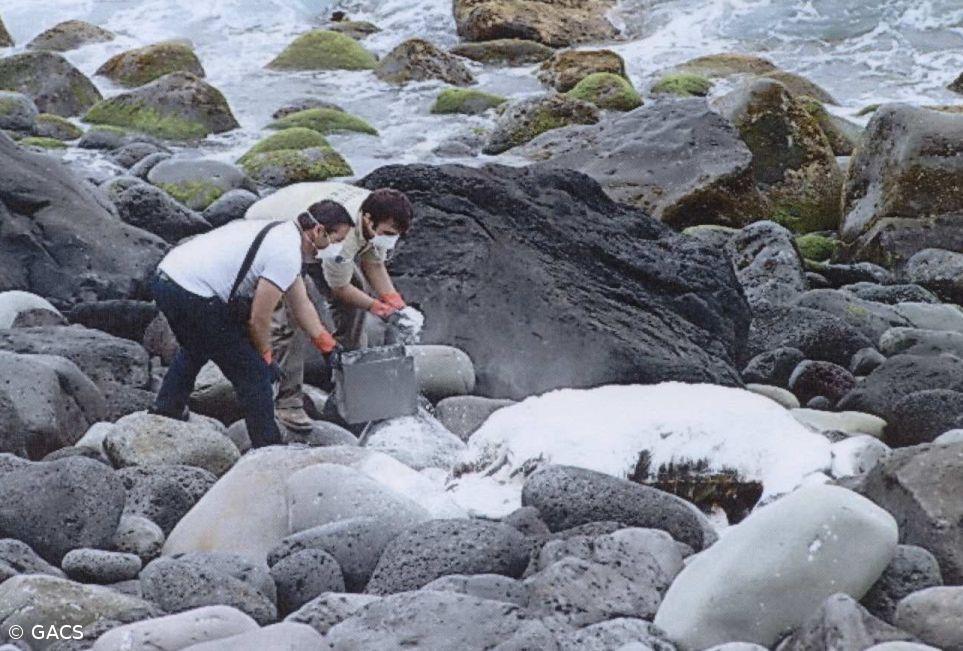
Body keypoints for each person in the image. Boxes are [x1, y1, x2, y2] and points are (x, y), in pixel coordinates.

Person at [149, 200, 354, 447]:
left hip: (168, 277)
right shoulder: (285, 253)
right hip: (192, 292)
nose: (337, 248)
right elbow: (259, 318)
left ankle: (167, 407)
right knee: (254, 374)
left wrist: (327, 346)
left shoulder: (283, 234)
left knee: (197, 347)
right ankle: (268, 448)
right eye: (337, 239)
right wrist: (266, 357)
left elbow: (301, 304)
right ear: (319, 231)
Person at [245, 182, 417, 431]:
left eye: (395, 235)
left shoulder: (377, 213)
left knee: (359, 295)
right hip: (274, 228)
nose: (391, 239)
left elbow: (374, 263)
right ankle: (288, 401)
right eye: (388, 234)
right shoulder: (345, 237)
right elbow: (340, 289)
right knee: (286, 320)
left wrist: (395, 303)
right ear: (368, 220)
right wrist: (378, 308)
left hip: (321, 233)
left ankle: (348, 377)